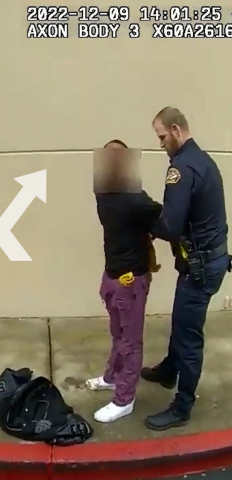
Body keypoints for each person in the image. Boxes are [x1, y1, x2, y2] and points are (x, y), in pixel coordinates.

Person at [141, 106, 230, 431]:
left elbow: (170, 226)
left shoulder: (181, 168)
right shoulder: (204, 161)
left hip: (201, 267)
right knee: (181, 321)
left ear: (177, 130)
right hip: (211, 260)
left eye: (162, 137)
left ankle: (182, 406)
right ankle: (169, 370)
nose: (161, 144)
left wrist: (144, 218)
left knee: (189, 335)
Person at [85, 139, 163, 423]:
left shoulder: (118, 195)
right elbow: (157, 215)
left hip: (130, 279)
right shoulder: (120, 195)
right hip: (115, 276)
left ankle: (124, 399)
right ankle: (113, 377)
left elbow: (162, 220)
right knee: (119, 334)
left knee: (129, 340)